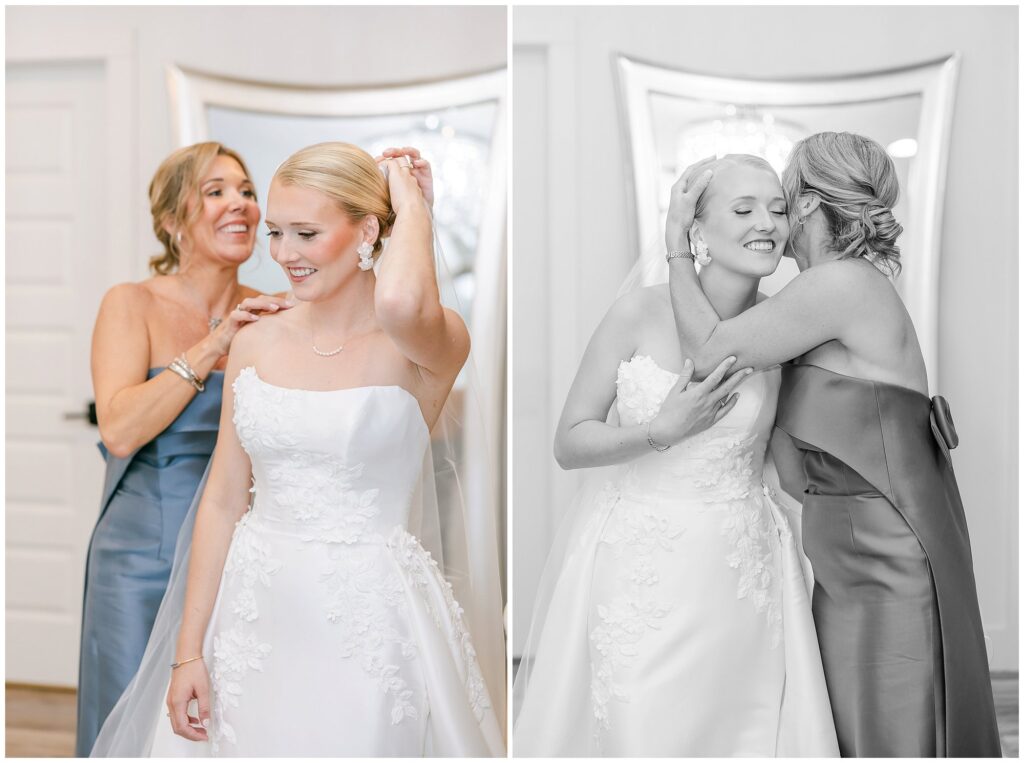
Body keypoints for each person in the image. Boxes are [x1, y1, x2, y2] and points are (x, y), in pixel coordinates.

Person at [92, 143, 504, 757]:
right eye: (277, 232)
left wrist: (411, 202)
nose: (283, 254)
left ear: (368, 230)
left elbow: (399, 302)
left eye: (306, 233)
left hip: (372, 623)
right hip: (256, 615)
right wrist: (188, 655)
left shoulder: (424, 346)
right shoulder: (255, 340)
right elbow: (224, 501)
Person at [665, 133, 1001, 757]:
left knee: (892, 724)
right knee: (851, 722)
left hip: (889, 554)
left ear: (813, 205)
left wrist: (677, 249)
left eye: (784, 200)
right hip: (853, 553)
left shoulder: (840, 284)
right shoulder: (825, 295)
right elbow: (794, 466)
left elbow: (710, 355)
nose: (775, 220)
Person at [514, 155, 838, 756]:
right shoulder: (638, 312)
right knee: (645, 724)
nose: (766, 222)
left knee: (741, 725)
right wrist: (660, 431)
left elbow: (789, 454)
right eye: (742, 209)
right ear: (696, 228)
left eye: (776, 208)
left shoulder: (788, 322)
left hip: (742, 564)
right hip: (641, 558)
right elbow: (569, 441)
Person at [77, 142, 291, 756]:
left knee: (228, 719)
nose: (240, 205)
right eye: (216, 191)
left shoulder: (278, 314)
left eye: (247, 192)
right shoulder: (131, 304)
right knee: (130, 720)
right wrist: (214, 343)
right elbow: (118, 429)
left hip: (243, 549)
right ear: (172, 221)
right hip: (141, 551)